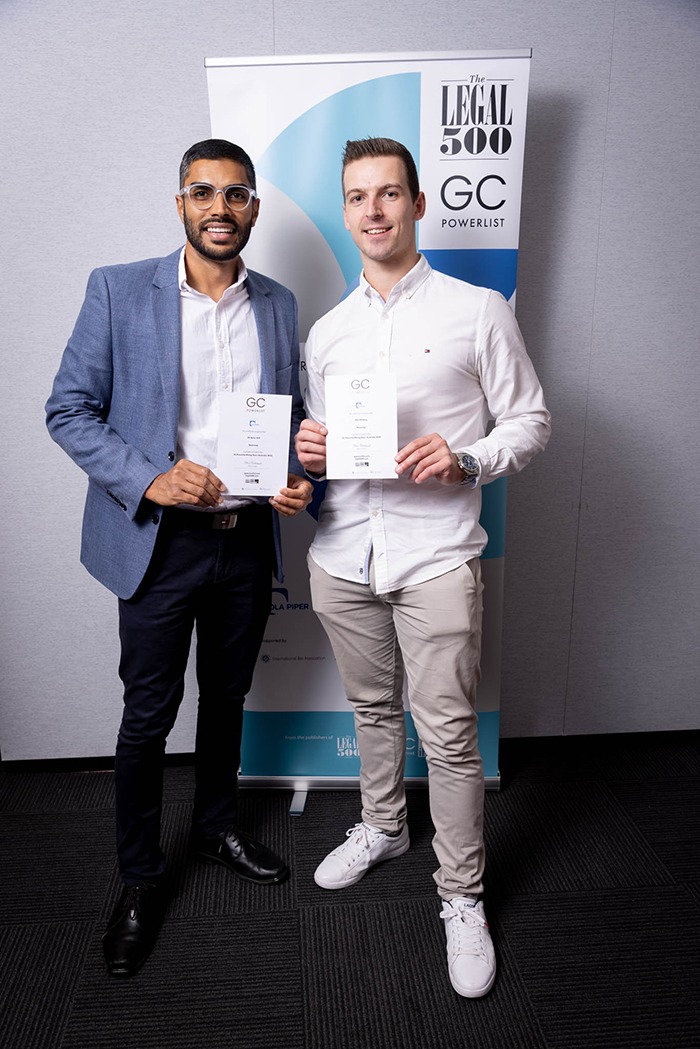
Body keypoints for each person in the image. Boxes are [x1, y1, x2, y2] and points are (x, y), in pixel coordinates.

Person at [46, 138, 312, 978]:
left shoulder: (278, 303)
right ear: (180, 204)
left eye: (236, 194)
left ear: (254, 208)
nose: (219, 208)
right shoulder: (119, 289)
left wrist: (298, 475)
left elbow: (290, 418)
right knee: (149, 714)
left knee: (227, 696)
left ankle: (216, 825)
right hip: (158, 544)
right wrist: (151, 479)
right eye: (204, 192)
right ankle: (139, 877)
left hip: (245, 541)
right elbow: (68, 410)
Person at [295, 137, 550, 999]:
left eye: (388, 193)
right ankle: (382, 825)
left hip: (436, 553)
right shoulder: (328, 333)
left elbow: (531, 420)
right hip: (343, 554)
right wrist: (310, 453)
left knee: (446, 734)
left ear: (417, 203)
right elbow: (324, 453)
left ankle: (462, 895)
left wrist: (468, 458)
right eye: (357, 196)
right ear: (345, 211)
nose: (373, 210)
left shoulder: (478, 310)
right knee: (372, 708)